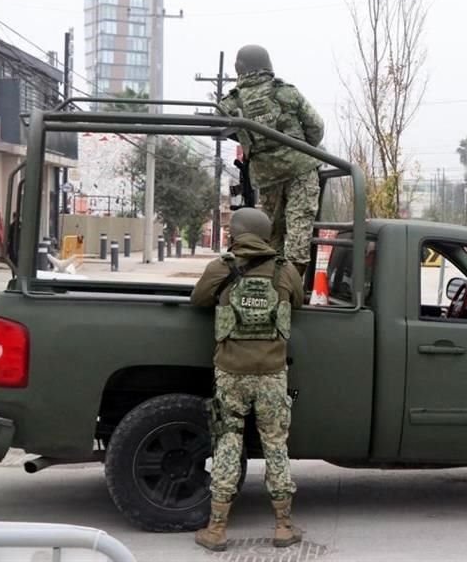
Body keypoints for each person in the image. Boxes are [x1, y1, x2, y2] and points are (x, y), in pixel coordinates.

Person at [190, 208, 305, 551]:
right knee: (275, 445)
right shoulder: (285, 270)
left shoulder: (220, 268)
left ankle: (217, 529)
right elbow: (297, 302)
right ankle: (284, 526)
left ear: (236, 235)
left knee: (227, 444)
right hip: (272, 374)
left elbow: (198, 300)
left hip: (231, 373)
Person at [219, 44, 324, 280]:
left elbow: (222, 126)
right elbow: (316, 128)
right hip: (301, 169)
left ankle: (271, 282)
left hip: (266, 176)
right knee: (299, 227)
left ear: (239, 68)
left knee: (271, 232)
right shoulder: (285, 92)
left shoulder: (231, 103)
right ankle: (292, 285)